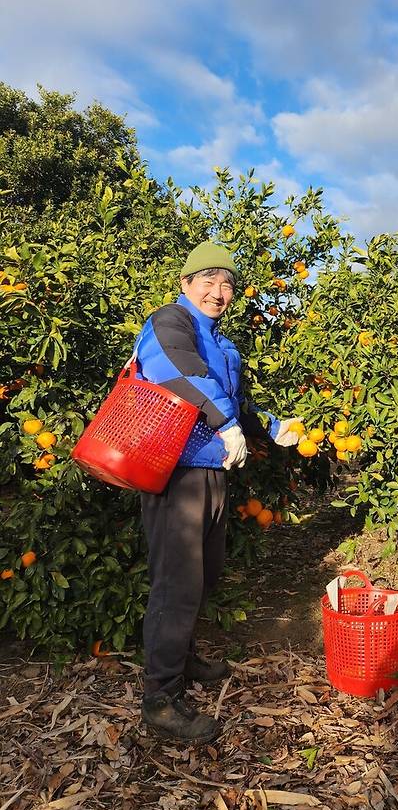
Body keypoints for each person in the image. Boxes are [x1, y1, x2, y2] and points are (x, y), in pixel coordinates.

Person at [135, 240, 302, 741]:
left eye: (227, 282)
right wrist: (226, 421)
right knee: (176, 584)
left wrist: (267, 426)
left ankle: (181, 660)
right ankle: (159, 700)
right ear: (186, 284)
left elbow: (231, 401)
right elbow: (176, 371)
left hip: (212, 473)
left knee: (203, 577)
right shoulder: (171, 322)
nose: (218, 290)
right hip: (177, 473)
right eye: (207, 279)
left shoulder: (222, 344)